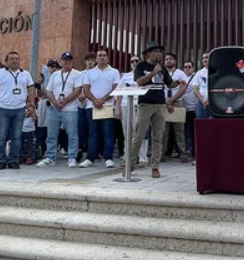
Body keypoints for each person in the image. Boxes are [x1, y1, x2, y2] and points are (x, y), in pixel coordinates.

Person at [130, 42, 173, 179]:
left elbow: (169, 83)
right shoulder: (141, 66)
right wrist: (153, 73)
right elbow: (140, 81)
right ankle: (131, 163)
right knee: (139, 135)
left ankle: (155, 167)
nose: (159, 54)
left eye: (160, 51)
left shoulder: (163, 68)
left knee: (158, 138)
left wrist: (179, 83)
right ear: (148, 53)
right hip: (145, 104)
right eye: (155, 51)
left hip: (160, 105)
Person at [0, 51, 36, 170]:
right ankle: (2, 160)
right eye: (11, 58)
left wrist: (31, 105)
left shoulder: (26, 74)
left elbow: (31, 90)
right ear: (6, 61)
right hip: (2, 108)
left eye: (16, 58)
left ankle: (13, 160)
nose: (14, 60)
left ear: (20, 60)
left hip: (19, 109)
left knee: (17, 136)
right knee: (1, 136)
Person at [41, 52, 82, 168]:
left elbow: (77, 90)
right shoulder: (55, 75)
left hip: (70, 108)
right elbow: (49, 91)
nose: (67, 62)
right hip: (54, 108)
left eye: (69, 59)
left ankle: (72, 157)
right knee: (51, 133)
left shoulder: (77, 74)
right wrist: (55, 102)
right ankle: (50, 157)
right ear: (61, 62)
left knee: (72, 133)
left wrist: (64, 102)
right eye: (65, 60)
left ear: (72, 61)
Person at [81, 49, 121, 168]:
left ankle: (108, 158)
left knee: (108, 133)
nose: (102, 57)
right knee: (93, 133)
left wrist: (102, 100)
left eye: (104, 55)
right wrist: (95, 101)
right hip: (92, 106)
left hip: (108, 106)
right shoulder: (89, 73)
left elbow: (115, 89)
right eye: (99, 56)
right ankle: (90, 158)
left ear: (107, 58)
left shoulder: (114, 72)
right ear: (96, 59)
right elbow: (86, 90)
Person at [162, 52, 189, 161]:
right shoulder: (161, 73)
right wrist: (166, 103)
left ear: (175, 61)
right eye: (166, 59)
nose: (168, 60)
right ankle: (162, 154)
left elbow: (183, 88)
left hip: (177, 102)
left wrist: (171, 100)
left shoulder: (180, 73)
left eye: (171, 59)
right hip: (163, 103)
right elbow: (158, 88)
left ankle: (183, 154)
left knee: (179, 130)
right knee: (163, 131)